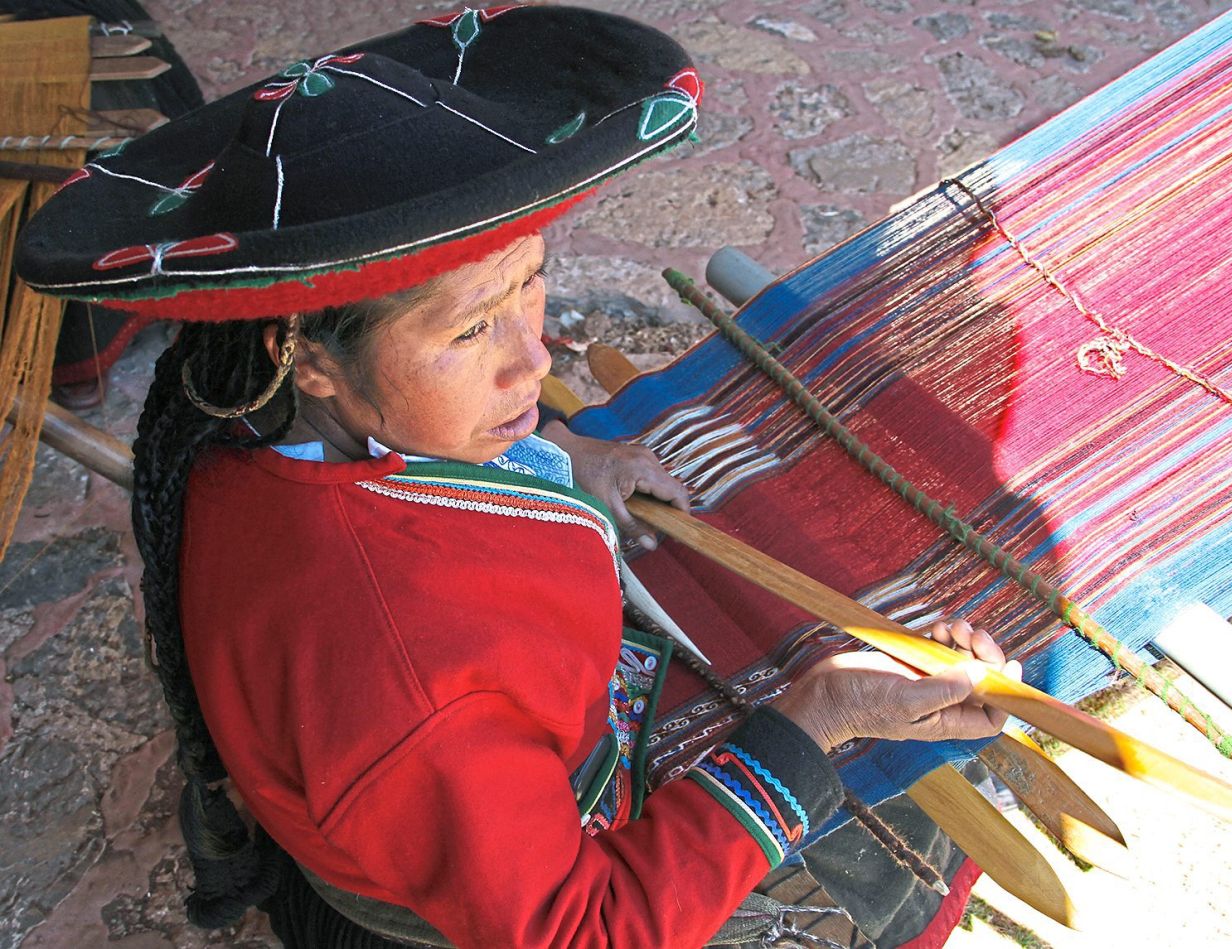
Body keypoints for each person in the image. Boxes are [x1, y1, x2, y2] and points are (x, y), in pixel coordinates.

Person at [17, 6, 1020, 947]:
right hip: (461, 906)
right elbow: (579, 927)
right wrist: (817, 716)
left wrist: (561, 455)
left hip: (430, 787)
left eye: (529, 282)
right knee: (892, 853)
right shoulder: (405, 667)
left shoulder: (235, 409)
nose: (535, 361)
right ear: (311, 357)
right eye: (469, 328)